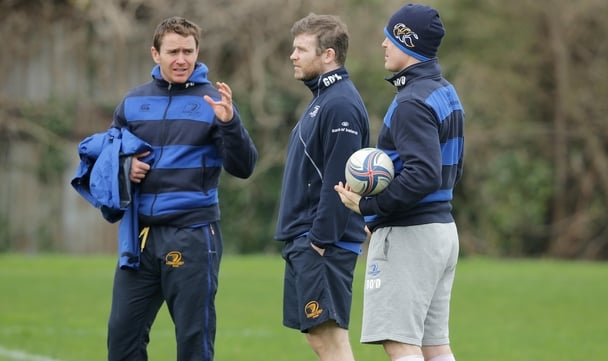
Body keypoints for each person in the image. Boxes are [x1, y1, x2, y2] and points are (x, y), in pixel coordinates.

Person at [103, 16, 258, 361]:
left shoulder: (213, 101)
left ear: (197, 52)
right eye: (173, 51)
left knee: (193, 342)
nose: (181, 59)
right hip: (140, 236)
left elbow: (244, 166)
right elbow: (106, 158)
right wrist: (125, 167)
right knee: (121, 340)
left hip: (193, 233)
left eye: (188, 51)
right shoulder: (132, 102)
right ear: (155, 54)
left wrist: (230, 123)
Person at [334, 4, 465, 361]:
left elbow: (423, 174)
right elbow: (451, 170)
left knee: (400, 343)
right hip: (441, 232)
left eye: (391, 37)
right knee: (434, 345)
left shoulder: (411, 102)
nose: (383, 44)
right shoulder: (444, 91)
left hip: (410, 235)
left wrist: (369, 207)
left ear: (408, 42)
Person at [274, 13, 370, 361]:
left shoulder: (340, 103)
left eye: (301, 49)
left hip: (322, 244)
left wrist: (319, 240)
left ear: (328, 55)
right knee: (321, 340)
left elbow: (339, 179)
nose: (293, 55)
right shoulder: (322, 100)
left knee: (330, 341)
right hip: (310, 240)